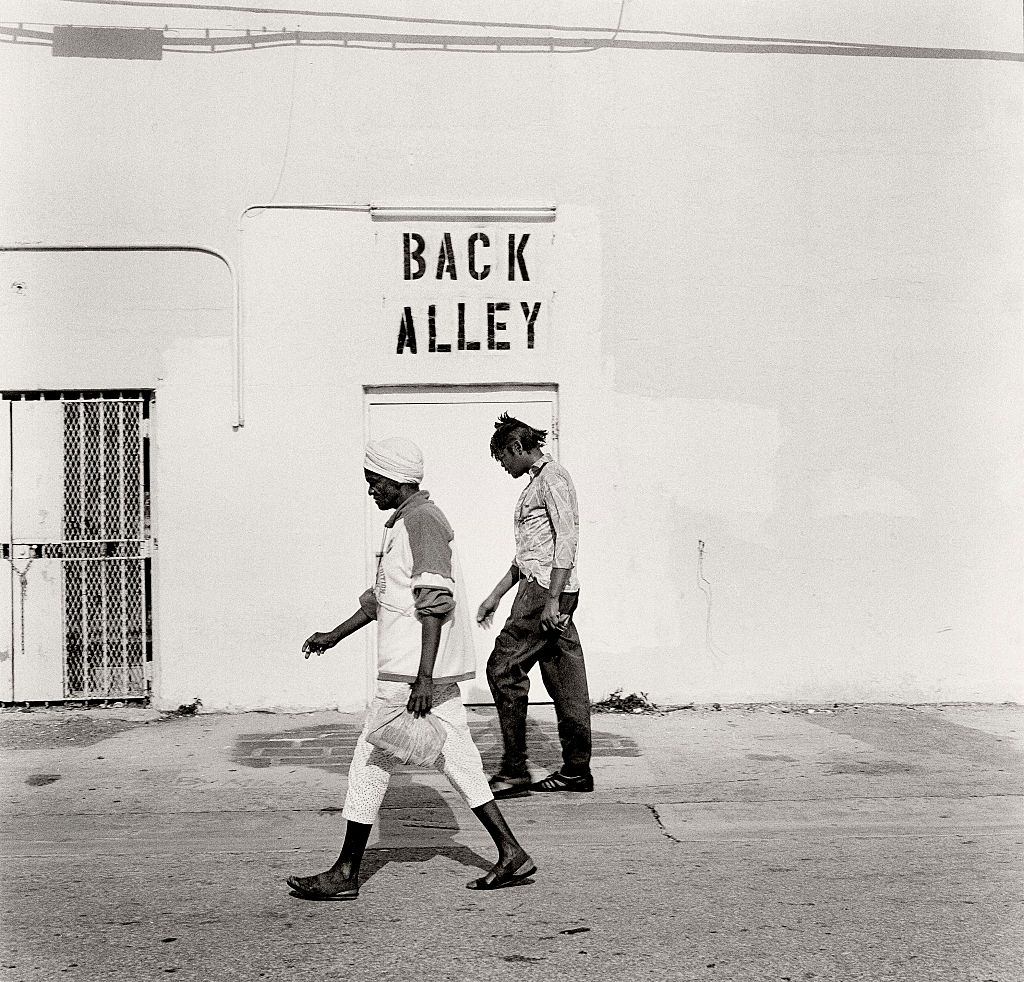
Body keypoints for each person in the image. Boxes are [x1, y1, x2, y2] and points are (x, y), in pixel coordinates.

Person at [287, 437, 535, 900]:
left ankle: (346, 872)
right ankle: (510, 851)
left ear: (395, 480)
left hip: (410, 675)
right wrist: (334, 635)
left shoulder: (420, 522)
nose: (370, 490)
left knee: (370, 759)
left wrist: (423, 677)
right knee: (459, 759)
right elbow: (383, 599)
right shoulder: (405, 522)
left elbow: (434, 602)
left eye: (373, 481)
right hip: (418, 673)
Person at [477, 414, 593, 799]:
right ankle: (576, 770)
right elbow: (529, 553)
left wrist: (554, 599)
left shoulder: (552, 478)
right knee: (564, 675)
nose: (504, 466)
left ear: (516, 448)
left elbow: (567, 540)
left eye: (503, 458)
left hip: (546, 590)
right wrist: (496, 594)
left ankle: (514, 771)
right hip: (546, 586)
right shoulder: (537, 484)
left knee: (503, 668)